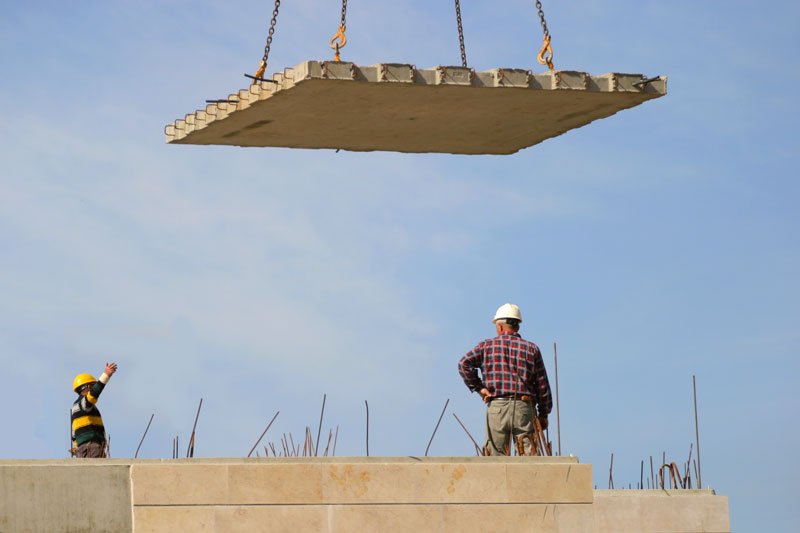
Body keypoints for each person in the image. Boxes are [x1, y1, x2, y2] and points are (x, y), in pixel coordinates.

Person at [458, 304, 552, 456]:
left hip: (497, 408)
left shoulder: (486, 346)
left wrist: (480, 388)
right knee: (529, 458)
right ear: (517, 327)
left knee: (495, 460)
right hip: (524, 408)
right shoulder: (531, 349)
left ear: (500, 327)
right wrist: (543, 414)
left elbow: (464, 364)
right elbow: (542, 386)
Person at [71, 362, 118, 458]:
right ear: (88, 387)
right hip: (91, 447)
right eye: (93, 385)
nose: (94, 387)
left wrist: (78, 449)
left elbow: (74, 435)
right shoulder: (84, 404)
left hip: (85, 449)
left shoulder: (75, 408)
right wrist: (106, 375)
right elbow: (94, 394)